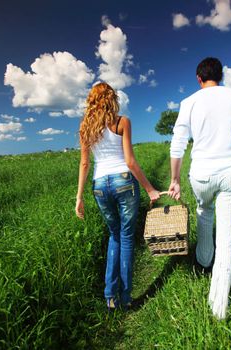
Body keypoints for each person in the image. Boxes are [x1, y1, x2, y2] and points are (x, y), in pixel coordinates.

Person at [168, 57, 231, 320]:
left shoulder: (189, 102)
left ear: (199, 79)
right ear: (220, 76)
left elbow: (177, 144)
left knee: (204, 211)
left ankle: (202, 262)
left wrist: (175, 180)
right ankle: (218, 309)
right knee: (228, 239)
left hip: (201, 175)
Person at [75, 82, 160, 310]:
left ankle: (110, 297)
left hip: (99, 184)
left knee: (114, 235)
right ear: (112, 99)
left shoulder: (85, 127)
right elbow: (130, 161)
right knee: (126, 236)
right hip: (123, 180)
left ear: (91, 101)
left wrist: (79, 197)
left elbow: (85, 163)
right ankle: (126, 298)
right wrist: (150, 189)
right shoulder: (122, 122)